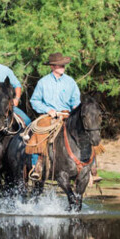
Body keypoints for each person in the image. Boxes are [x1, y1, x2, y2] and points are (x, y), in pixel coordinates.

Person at [29, 52, 100, 182]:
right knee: (38, 133)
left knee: (87, 130)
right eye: (59, 65)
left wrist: (75, 112)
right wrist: (48, 110)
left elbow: (76, 102)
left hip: (68, 115)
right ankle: (37, 166)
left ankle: (92, 167)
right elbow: (34, 101)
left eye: (63, 64)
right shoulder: (43, 82)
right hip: (49, 116)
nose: (62, 67)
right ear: (52, 66)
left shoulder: (70, 82)